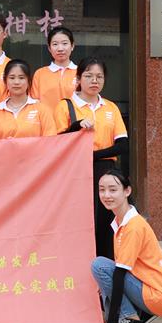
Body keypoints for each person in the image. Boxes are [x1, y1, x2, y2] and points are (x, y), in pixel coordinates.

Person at [54, 57, 128, 260]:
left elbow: (122, 145)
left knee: (106, 221)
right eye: (88, 76)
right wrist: (76, 126)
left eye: (99, 77)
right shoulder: (65, 106)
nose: (94, 81)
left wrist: (93, 155)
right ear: (78, 79)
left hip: (106, 171)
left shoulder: (110, 107)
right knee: (78, 220)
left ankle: (105, 268)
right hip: (76, 172)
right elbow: (57, 143)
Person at [91, 170, 162, 323]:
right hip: (151, 289)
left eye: (113, 190)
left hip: (158, 295)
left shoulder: (133, 226)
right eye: (102, 190)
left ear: (127, 191)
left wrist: (112, 320)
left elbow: (119, 274)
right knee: (103, 285)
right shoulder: (120, 221)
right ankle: (130, 317)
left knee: (100, 266)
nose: (106, 195)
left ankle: (129, 319)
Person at [0, 59, 56, 139]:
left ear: (29, 81)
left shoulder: (42, 110)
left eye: (21, 78)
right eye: (12, 78)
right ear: (5, 81)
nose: (16, 82)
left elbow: (51, 142)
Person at [31, 26, 77, 110]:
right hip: (46, 118)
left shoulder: (81, 72)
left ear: (72, 46)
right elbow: (34, 104)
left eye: (65, 43)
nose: (60, 49)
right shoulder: (40, 74)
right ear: (49, 48)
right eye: (55, 44)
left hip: (74, 118)